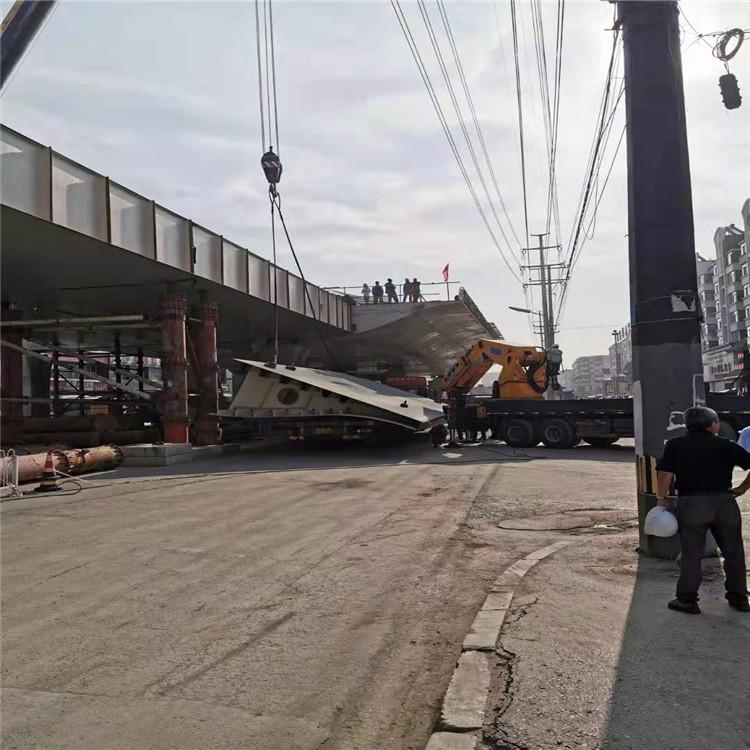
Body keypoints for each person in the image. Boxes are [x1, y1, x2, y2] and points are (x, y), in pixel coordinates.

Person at [655, 405, 750, 614]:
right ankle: (739, 598)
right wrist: (743, 488)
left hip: (691, 504)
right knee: (733, 552)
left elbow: (665, 475)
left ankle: (687, 601)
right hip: (724, 503)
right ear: (713, 424)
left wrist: (662, 499)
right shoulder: (726, 445)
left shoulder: (675, 445)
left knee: (691, 554)